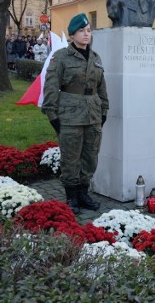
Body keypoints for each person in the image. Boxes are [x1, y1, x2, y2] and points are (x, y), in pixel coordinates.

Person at [41, 13, 109, 214]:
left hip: (93, 114)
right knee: (70, 157)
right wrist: (52, 115)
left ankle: (83, 193)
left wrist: (104, 109)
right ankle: (71, 196)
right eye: (81, 31)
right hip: (70, 115)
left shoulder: (96, 58)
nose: (86, 34)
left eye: (88, 31)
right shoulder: (61, 57)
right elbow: (51, 86)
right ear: (72, 35)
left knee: (90, 157)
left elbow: (101, 87)